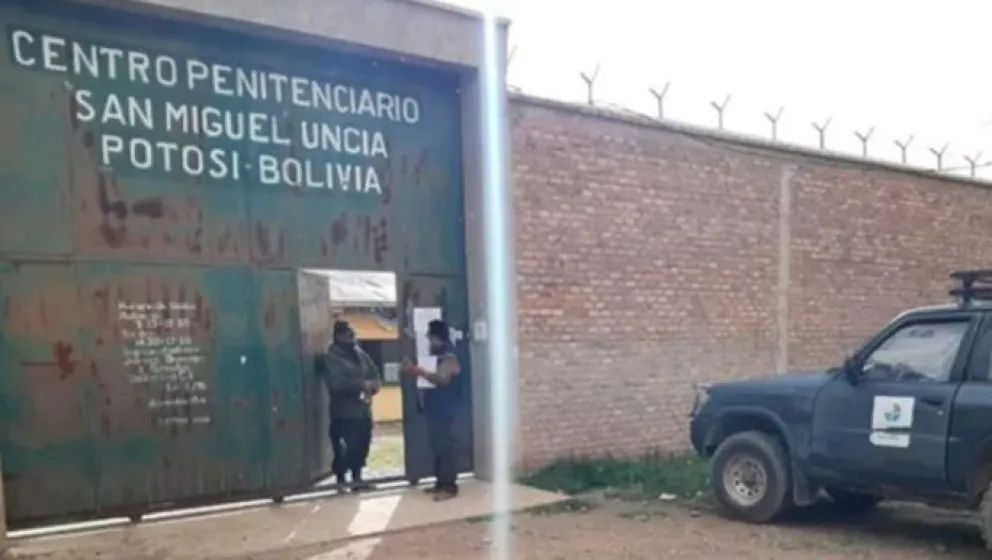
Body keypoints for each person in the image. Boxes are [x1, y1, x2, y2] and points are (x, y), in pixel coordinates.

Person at [402, 319, 463, 501]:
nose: (430, 342)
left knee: (445, 447)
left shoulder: (450, 357)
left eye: (432, 338)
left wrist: (420, 372)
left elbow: (442, 379)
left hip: (447, 408)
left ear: (439, 338)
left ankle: (450, 486)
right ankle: (440, 483)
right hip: (435, 407)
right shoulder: (436, 356)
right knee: (437, 445)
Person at [318, 320, 381, 490]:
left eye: (352, 334)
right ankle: (341, 479)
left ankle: (357, 478)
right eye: (347, 334)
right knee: (343, 447)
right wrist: (361, 384)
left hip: (362, 408)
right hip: (343, 411)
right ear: (338, 336)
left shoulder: (360, 354)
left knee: (362, 443)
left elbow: (374, 373)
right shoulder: (332, 357)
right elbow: (335, 383)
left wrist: (373, 385)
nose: (351, 338)